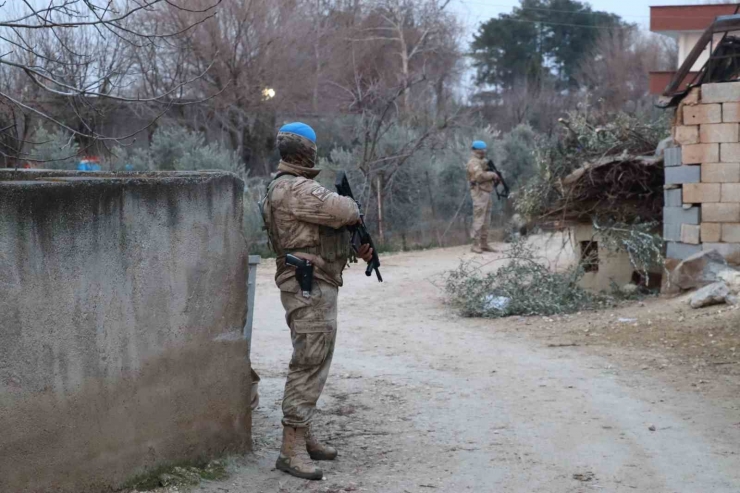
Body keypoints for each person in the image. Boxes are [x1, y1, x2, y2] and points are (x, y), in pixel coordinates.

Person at [261, 122, 374, 480]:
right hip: (306, 285)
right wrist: (352, 210)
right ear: (306, 151)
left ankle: (304, 435)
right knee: (309, 360)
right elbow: (346, 211)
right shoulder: (295, 188)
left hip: (314, 283)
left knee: (316, 357)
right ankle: (290, 448)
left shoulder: (288, 187)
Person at [466, 140, 500, 253]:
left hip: (486, 191)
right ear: (477, 150)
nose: (484, 151)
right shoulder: (473, 162)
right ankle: (475, 244)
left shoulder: (482, 161)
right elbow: (479, 177)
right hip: (479, 192)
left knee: (486, 219)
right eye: (482, 149)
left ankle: (484, 243)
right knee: (479, 218)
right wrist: (492, 175)